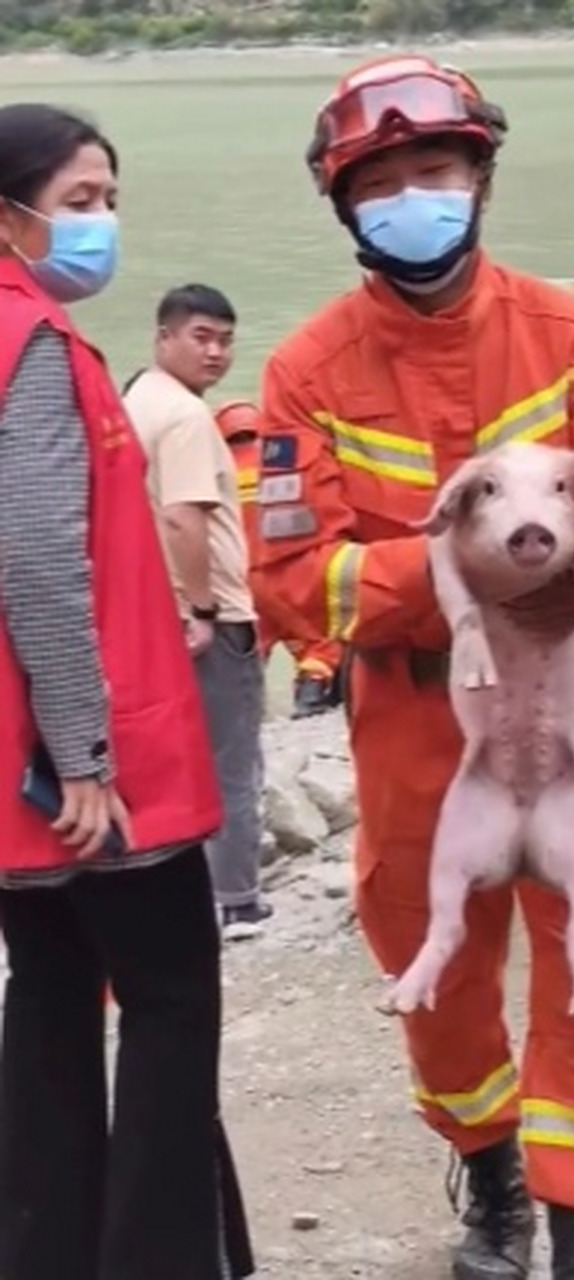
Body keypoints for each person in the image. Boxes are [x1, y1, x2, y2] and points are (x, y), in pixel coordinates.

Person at [251, 54, 574, 1280]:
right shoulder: (306, 371)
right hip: (410, 734)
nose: (412, 196)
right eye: (381, 181)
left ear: (481, 175)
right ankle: (491, 1171)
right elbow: (297, 579)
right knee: (433, 988)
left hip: (567, 721)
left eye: (434, 168)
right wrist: (475, 580)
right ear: (346, 208)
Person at [0, 103, 253, 1280]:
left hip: (16, 759)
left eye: (110, 200)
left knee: (49, 991)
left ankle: (48, 1245)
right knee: (166, 1000)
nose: (102, 223)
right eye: (82, 200)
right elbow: (43, 556)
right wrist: (86, 750)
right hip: (93, 765)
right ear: (11, 212)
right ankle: (160, 1257)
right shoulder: (34, 344)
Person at [123, 285, 270, 939]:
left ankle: (168, 890)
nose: (215, 352)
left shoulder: (134, 401)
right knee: (232, 760)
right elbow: (185, 517)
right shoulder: (183, 416)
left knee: (170, 758)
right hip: (206, 617)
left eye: (225, 340)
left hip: (151, 614)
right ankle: (236, 897)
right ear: (164, 337)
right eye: (201, 336)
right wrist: (205, 609)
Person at [215, 400, 345, 717]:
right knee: (318, 641)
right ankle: (310, 698)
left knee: (252, 650)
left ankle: (248, 713)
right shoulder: (281, 460)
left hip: (238, 582)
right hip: (282, 571)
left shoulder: (215, 467)